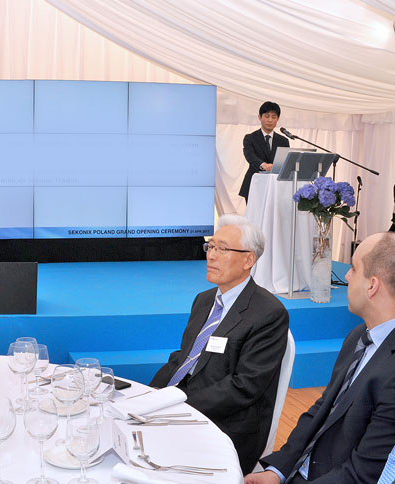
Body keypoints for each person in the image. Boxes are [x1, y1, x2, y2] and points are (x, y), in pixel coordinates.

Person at [245, 231, 395, 484]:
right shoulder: (358, 336)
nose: (346, 276)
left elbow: (364, 474)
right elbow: (322, 409)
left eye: (353, 269)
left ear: (372, 285)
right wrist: (277, 471)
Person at [150, 214, 289, 474]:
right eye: (210, 246)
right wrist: (151, 395)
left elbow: (244, 387)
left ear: (248, 260)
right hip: (184, 404)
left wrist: (177, 404)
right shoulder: (204, 300)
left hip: (226, 424)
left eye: (222, 249)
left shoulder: (268, 313)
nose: (211, 256)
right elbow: (184, 358)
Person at [239, 101, 290, 202]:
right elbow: (250, 155)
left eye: (273, 117)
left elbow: (285, 161)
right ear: (259, 117)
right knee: (254, 212)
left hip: (276, 186)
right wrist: (263, 165)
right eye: (266, 116)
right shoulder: (250, 138)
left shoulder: (283, 141)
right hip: (254, 184)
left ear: (278, 119)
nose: (270, 120)